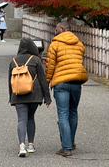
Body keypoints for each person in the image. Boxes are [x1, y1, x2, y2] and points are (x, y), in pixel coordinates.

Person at [44, 21, 88, 157]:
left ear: (62, 29)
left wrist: (46, 83)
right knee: (73, 112)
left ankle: (66, 147)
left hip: (61, 82)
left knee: (63, 114)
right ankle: (71, 142)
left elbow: (50, 66)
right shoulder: (79, 44)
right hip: (76, 81)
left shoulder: (55, 44)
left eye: (56, 29)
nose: (55, 31)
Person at [8, 37, 51, 157]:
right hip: (34, 95)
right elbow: (42, 80)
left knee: (22, 119)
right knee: (30, 118)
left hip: (18, 95)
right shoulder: (36, 60)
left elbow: (10, 81)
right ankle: (31, 145)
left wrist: (11, 97)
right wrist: (47, 97)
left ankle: (22, 145)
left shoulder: (13, 61)